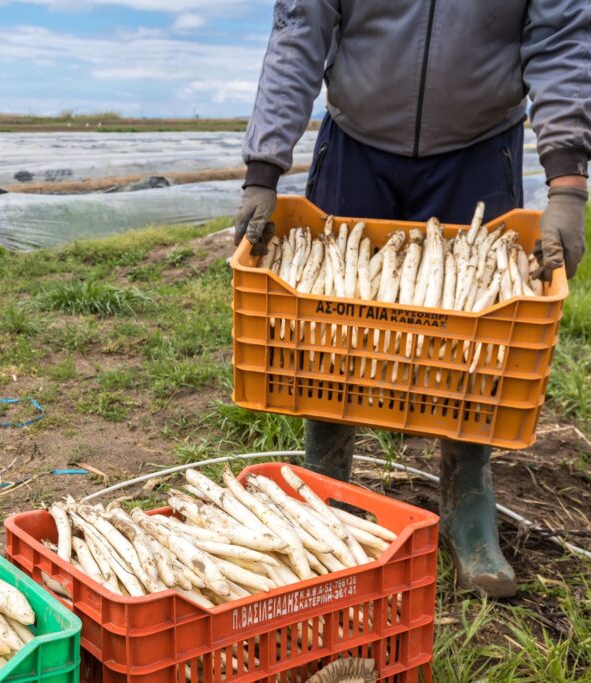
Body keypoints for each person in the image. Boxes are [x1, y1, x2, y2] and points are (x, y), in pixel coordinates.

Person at [234, 0, 590, 598]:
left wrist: (568, 183)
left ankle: (467, 492)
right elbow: (300, 32)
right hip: (356, 144)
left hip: (479, 147)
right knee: (332, 314)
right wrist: (263, 169)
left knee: (483, 323)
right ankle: (326, 476)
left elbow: (561, 40)